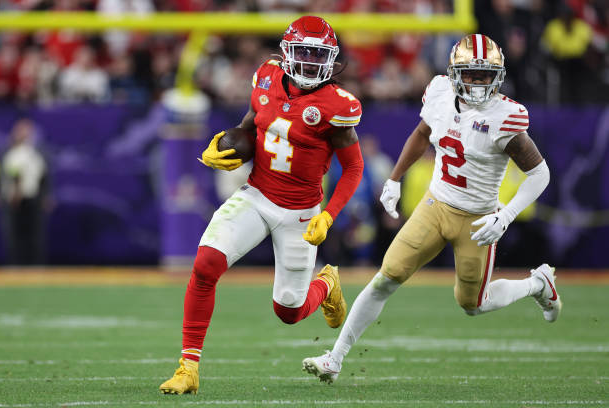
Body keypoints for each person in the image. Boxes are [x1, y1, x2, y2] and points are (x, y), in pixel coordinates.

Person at [302, 34, 561, 383]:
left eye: (486, 75)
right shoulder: (439, 92)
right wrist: (395, 179)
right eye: (471, 73)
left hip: (478, 217)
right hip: (435, 205)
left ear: (498, 76)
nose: (479, 82)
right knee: (385, 279)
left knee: (473, 304)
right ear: (455, 73)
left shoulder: (506, 116)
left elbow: (540, 173)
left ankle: (538, 284)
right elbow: (422, 134)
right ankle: (335, 358)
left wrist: (505, 215)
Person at [159, 16, 364, 395]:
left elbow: (354, 167)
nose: (308, 62)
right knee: (206, 264)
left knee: (288, 312)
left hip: (301, 212)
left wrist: (328, 215)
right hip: (257, 194)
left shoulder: (337, 105)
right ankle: (188, 367)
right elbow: (254, 123)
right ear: (286, 52)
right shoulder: (267, 76)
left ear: (331, 59)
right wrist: (230, 145)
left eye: (317, 55)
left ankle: (326, 283)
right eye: (302, 52)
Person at [0, 118, 49, 265]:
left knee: (34, 234)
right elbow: (4, 176)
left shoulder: (37, 152)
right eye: (19, 130)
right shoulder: (7, 152)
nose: (22, 133)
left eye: (25, 130)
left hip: (32, 198)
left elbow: (45, 176)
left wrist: (46, 195)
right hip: (11, 199)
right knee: (14, 235)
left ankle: (35, 266)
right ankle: (16, 265)